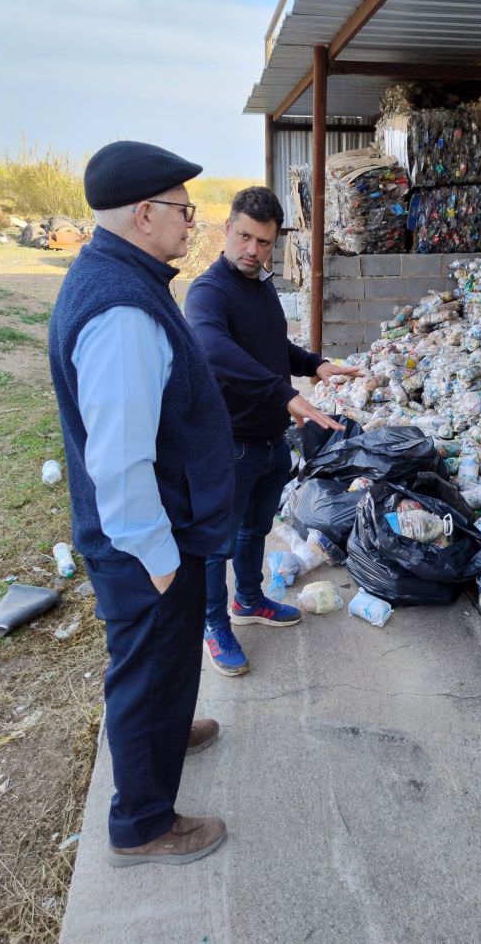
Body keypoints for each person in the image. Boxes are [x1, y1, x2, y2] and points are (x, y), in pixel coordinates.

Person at [48, 141, 235, 867]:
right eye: (185, 210)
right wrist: (157, 557)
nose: (194, 223)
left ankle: (165, 730)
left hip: (156, 531)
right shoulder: (121, 310)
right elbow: (120, 460)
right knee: (146, 669)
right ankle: (144, 824)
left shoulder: (118, 274)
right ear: (144, 213)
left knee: (161, 665)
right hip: (145, 541)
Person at [185, 186, 362, 675]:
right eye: (244, 237)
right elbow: (214, 349)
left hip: (271, 441)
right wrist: (284, 394)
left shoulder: (261, 287)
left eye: (263, 242)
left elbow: (272, 347)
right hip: (230, 444)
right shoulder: (208, 292)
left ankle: (248, 600)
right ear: (227, 229)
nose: (252, 250)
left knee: (255, 530)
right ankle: (213, 625)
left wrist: (314, 364)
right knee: (216, 545)